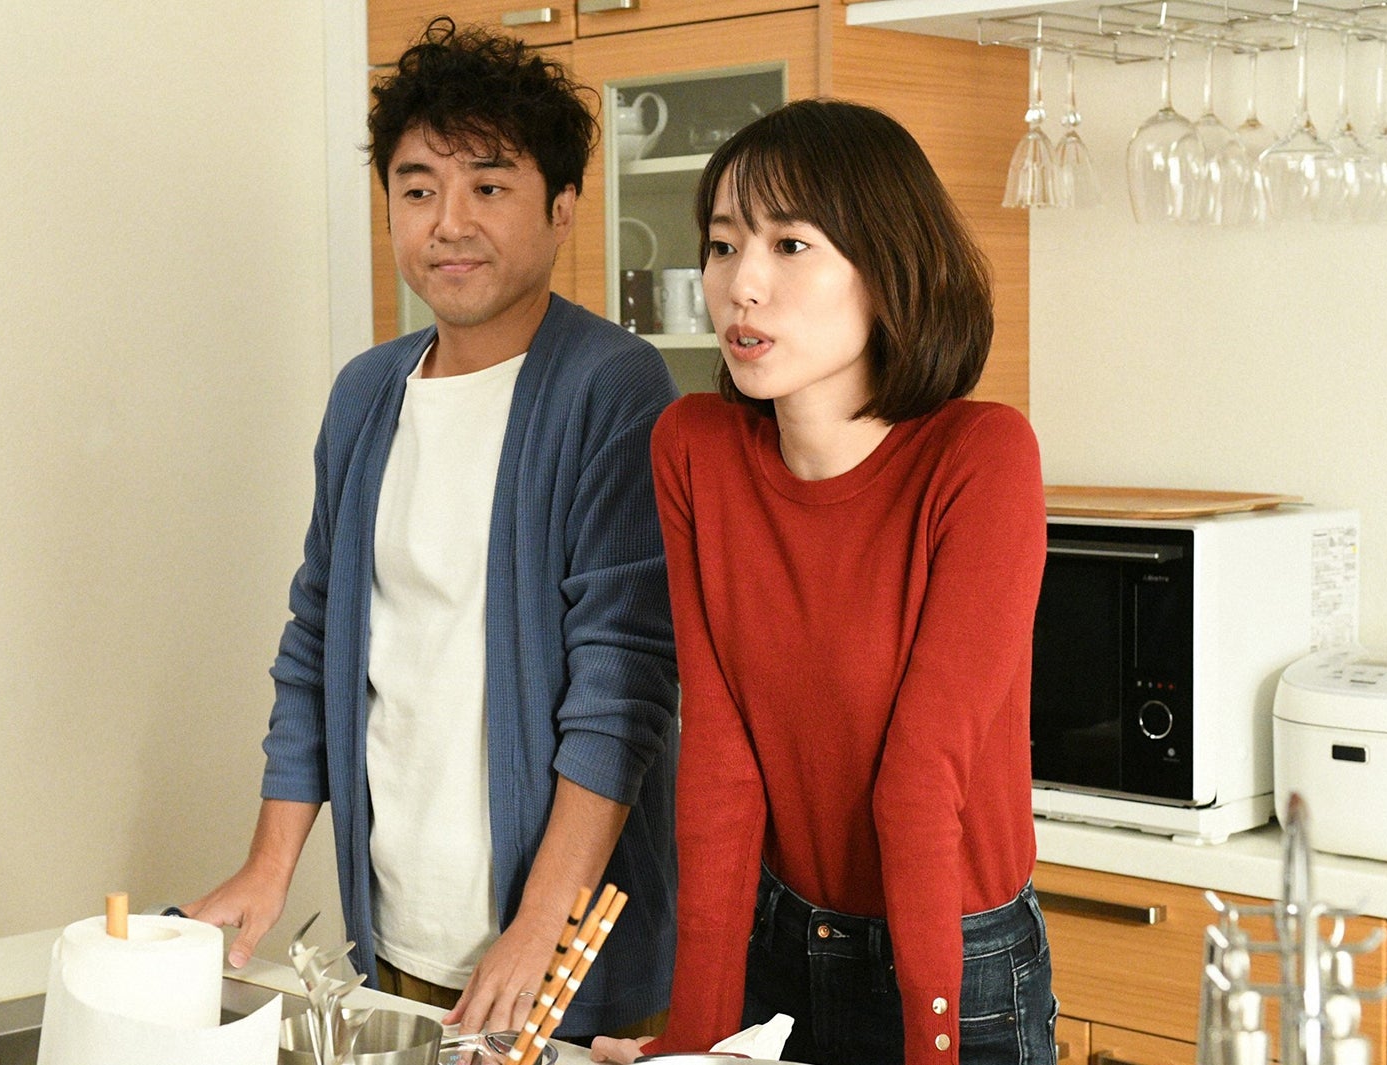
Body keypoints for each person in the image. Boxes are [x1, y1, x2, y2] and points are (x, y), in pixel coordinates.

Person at [186, 18, 679, 1042]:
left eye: (489, 186)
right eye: (418, 191)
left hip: (554, 960)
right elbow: (318, 640)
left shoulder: (611, 386)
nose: (449, 223)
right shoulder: (366, 393)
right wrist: (269, 866)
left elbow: (621, 681)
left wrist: (542, 926)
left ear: (563, 207)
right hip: (397, 932)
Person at [592, 99, 1055, 1065]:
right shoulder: (695, 449)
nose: (741, 285)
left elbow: (920, 777)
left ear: (889, 268)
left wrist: (931, 1047)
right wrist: (692, 1042)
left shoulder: (981, 456)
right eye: (724, 245)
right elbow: (720, 759)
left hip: (956, 959)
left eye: (790, 245)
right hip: (781, 940)